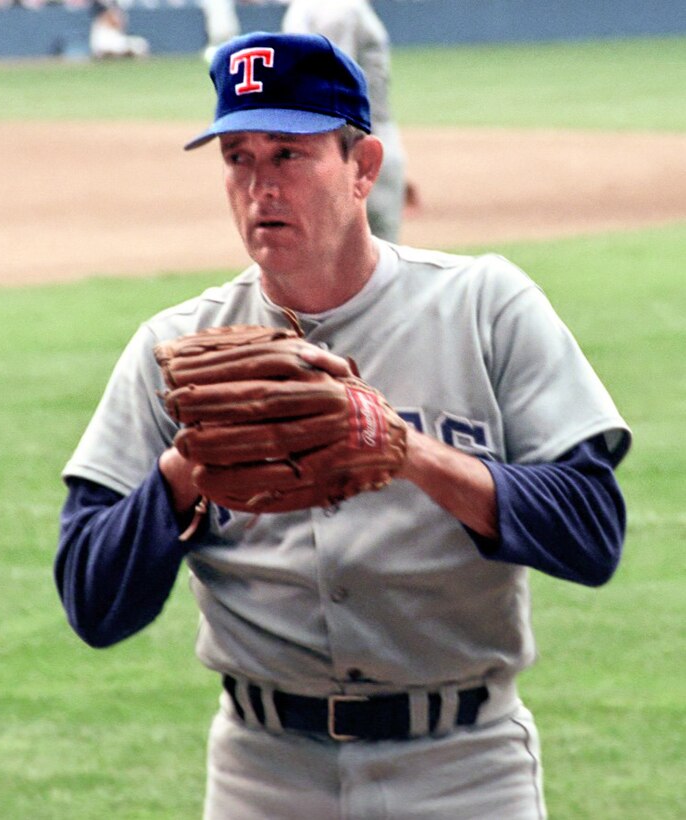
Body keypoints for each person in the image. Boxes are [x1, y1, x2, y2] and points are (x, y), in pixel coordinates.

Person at [55, 32, 631, 819]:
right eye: (238, 158)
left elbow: (592, 534)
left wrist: (411, 454)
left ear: (363, 169)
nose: (260, 186)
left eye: (289, 155)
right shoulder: (176, 351)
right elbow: (91, 598)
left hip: (465, 769)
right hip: (263, 774)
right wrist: (185, 472)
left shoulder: (486, 307)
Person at [281, 0, 414, 242]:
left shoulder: (305, 8)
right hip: (356, 141)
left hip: (345, 142)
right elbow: (335, 85)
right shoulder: (338, 8)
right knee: (376, 258)